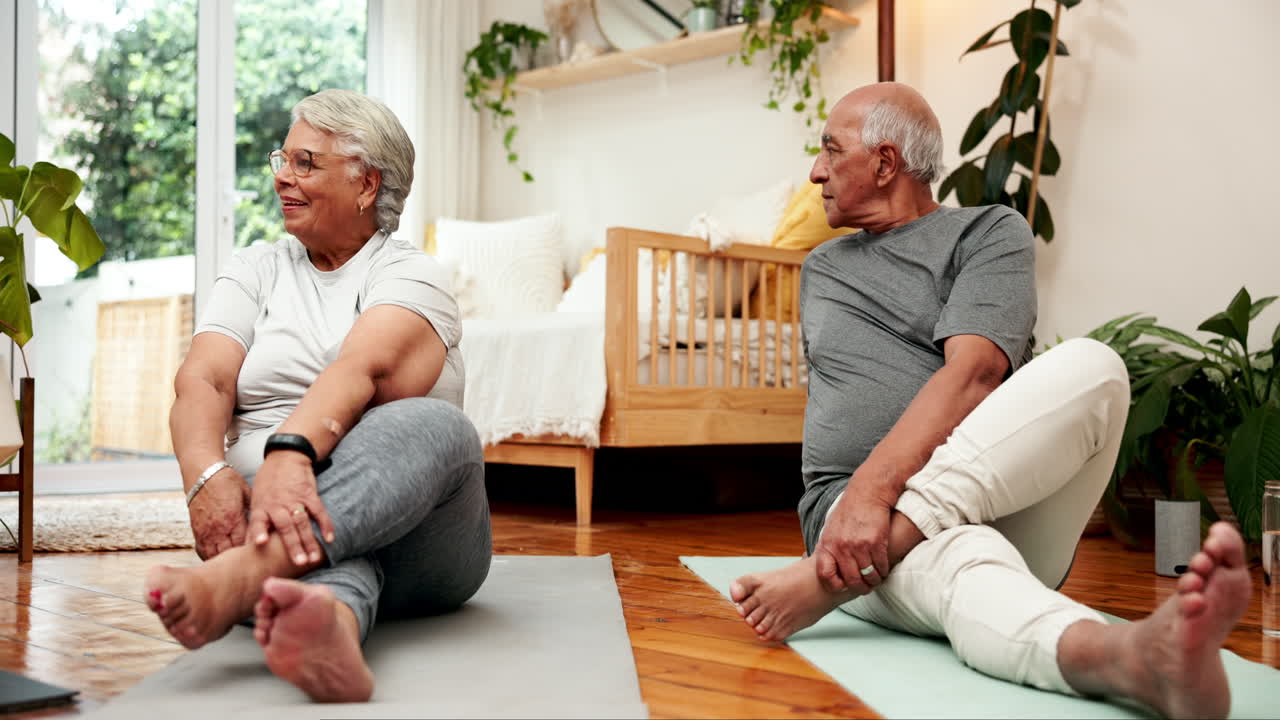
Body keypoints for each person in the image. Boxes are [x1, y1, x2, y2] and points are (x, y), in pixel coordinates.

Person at [728, 82, 1251, 719]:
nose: (816, 172)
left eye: (830, 151)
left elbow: (976, 374)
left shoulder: (990, 232)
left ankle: (824, 580)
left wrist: (873, 493)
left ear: (886, 163)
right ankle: (1137, 659)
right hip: (843, 522)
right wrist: (857, 501)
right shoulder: (825, 268)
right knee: (967, 562)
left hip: (904, 523)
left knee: (1097, 365)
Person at [145, 89, 491, 703]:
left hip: (422, 545)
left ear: (366, 185)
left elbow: (362, 370)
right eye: (284, 159)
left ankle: (238, 580)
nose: (283, 177)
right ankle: (331, 624)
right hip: (268, 517)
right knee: (316, 533)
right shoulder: (256, 269)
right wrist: (205, 477)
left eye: (306, 164)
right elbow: (204, 379)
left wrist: (290, 455)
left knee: (439, 425)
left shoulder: (411, 275)